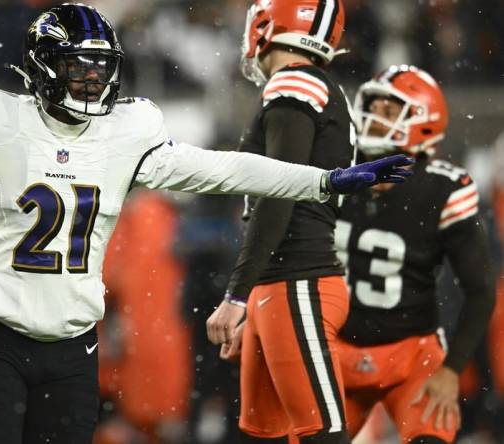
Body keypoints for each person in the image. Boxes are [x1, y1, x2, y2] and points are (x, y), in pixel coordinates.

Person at [0, 4, 411, 443]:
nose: (91, 82)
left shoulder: (128, 131)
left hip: (74, 348)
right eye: (78, 69)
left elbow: (227, 170)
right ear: (43, 67)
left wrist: (321, 180)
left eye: (99, 70)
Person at [205, 0, 355, 442]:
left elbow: (278, 192)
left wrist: (237, 293)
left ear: (270, 22)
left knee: (323, 435)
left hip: (299, 280)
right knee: (268, 436)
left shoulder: (295, 82)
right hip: (282, 286)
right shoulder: (315, 84)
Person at [333, 65, 497, 443]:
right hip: (333, 352)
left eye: (389, 111)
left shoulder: (442, 189)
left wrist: (452, 369)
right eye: (371, 107)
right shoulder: (336, 174)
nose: (374, 118)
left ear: (423, 120)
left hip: (411, 359)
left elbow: (480, 289)